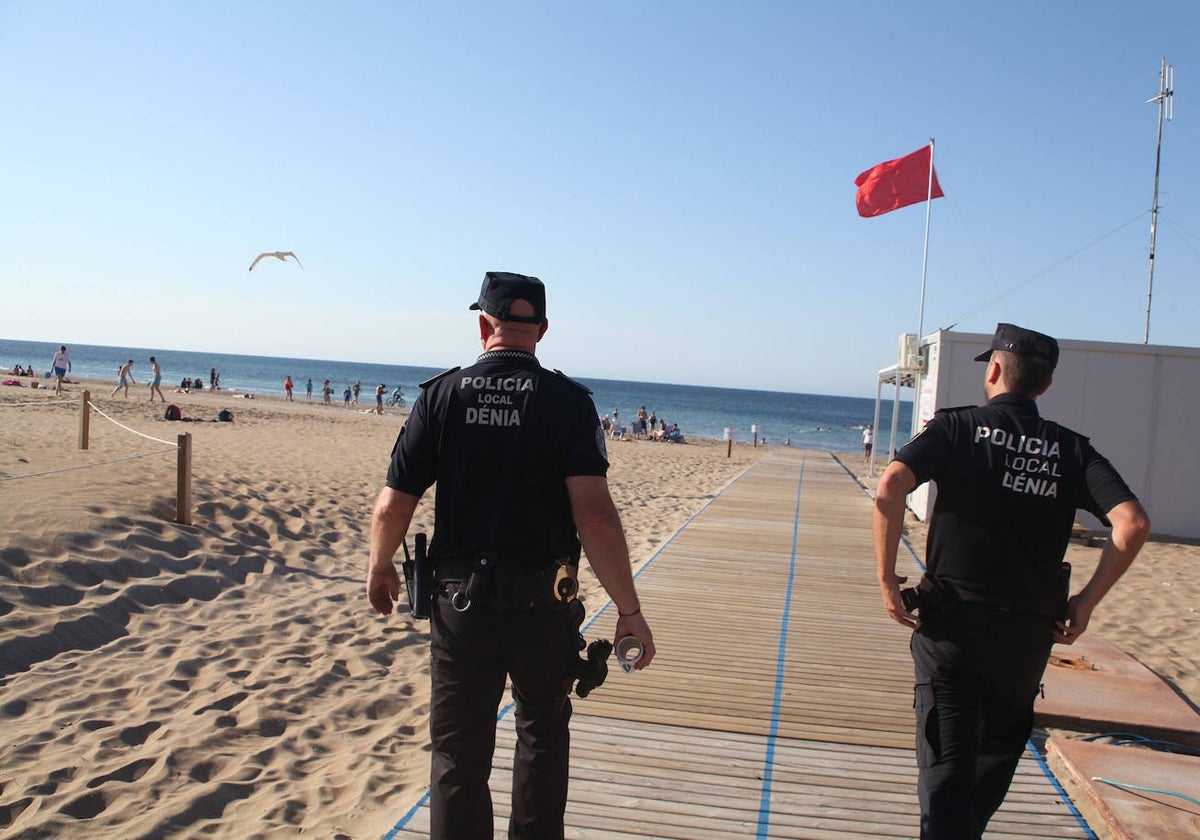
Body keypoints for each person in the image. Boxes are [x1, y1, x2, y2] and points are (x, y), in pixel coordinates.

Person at [366, 271, 655, 840]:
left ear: (482, 326)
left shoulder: (441, 396)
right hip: (543, 608)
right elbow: (594, 514)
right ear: (541, 331)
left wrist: (380, 566)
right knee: (542, 736)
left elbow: (391, 506)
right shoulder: (568, 403)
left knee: (456, 756)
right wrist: (629, 609)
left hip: (460, 608)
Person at [872, 322, 1151, 840]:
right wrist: (1086, 602)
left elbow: (890, 485)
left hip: (952, 630)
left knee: (945, 775)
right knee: (990, 766)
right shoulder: (1071, 449)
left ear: (994, 370)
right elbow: (1132, 523)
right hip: (1024, 640)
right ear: (1045, 386)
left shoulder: (955, 429)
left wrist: (889, 580)